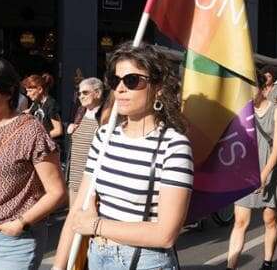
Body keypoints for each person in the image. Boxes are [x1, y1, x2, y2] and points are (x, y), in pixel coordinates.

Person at [52, 42, 193, 270]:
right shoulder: (104, 136)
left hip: (145, 261)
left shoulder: (174, 145)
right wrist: (58, 266)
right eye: (115, 80)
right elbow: (79, 209)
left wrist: (96, 226)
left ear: (157, 87)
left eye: (132, 80)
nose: (120, 89)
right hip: (97, 255)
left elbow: (165, 234)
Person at [0, 58, 66, 270]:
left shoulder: (31, 130)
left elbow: (57, 192)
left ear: (8, 92)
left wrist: (20, 223)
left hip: (16, 240)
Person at [227, 85, 277, 269]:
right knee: (240, 221)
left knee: (269, 219)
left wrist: (263, 175)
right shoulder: (241, 111)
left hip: (271, 169)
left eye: (251, 89)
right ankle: (231, 266)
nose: (248, 94)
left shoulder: (276, 110)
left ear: (262, 89)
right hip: (246, 172)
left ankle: (267, 262)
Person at [65, 77, 109, 207]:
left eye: (85, 92)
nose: (80, 96)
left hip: (94, 182)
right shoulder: (80, 112)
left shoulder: (106, 116)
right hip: (74, 178)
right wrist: (70, 129)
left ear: (98, 93)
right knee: (73, 219)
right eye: (79, 93)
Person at [25, 73, 64, 140]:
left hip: (51, 146)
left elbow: (58, 131)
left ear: (40, 89)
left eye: (30, 91)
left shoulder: (51, 104)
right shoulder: (36, 103)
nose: (27, 94)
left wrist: (40, 138)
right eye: (27, 91)